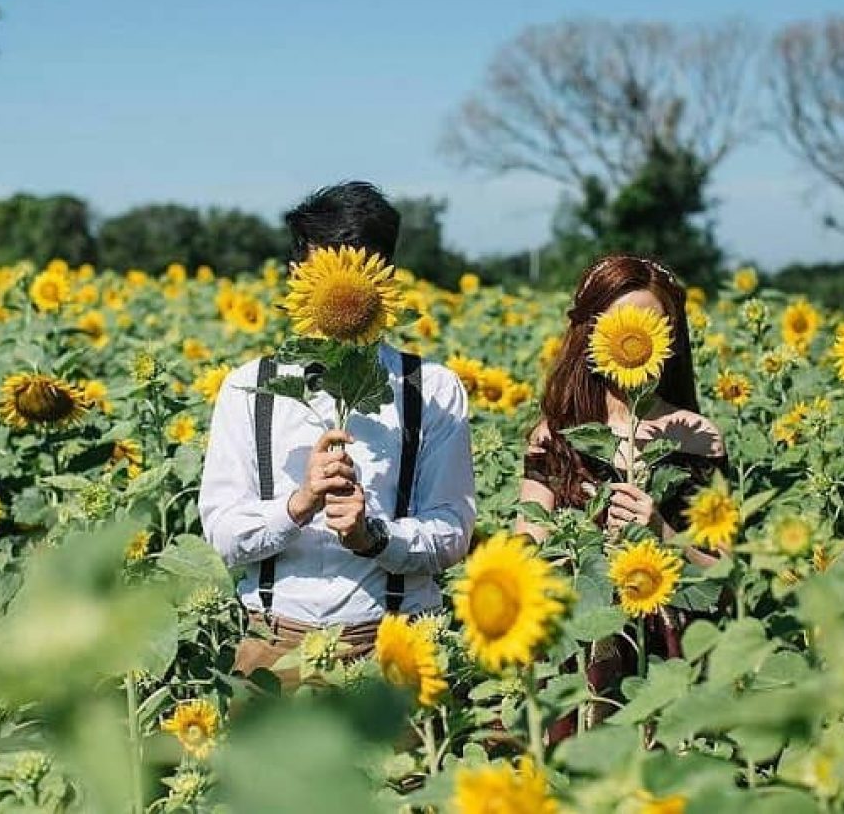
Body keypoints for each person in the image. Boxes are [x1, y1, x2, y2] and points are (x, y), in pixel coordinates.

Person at [199, 181, 476, 686]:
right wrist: (297, 505)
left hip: (394, 645)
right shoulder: (249, 389)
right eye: (323, 272)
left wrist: (375, 537)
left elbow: (454, 529)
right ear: (296, 275)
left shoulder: (431, 389)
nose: (340, 290)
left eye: (355, 273)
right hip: (274, 648)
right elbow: (222, 532)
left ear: (383, 281)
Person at [518, 253, 728, 737]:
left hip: (665, 650)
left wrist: (664, 533)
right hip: (575, 646)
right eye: (618, 325)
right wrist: (577, 548)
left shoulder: (696, 436)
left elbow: (727, 578)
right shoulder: (556, 434)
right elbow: (526, 549)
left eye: (654, 327)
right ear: (590, 333)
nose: (634, 339)